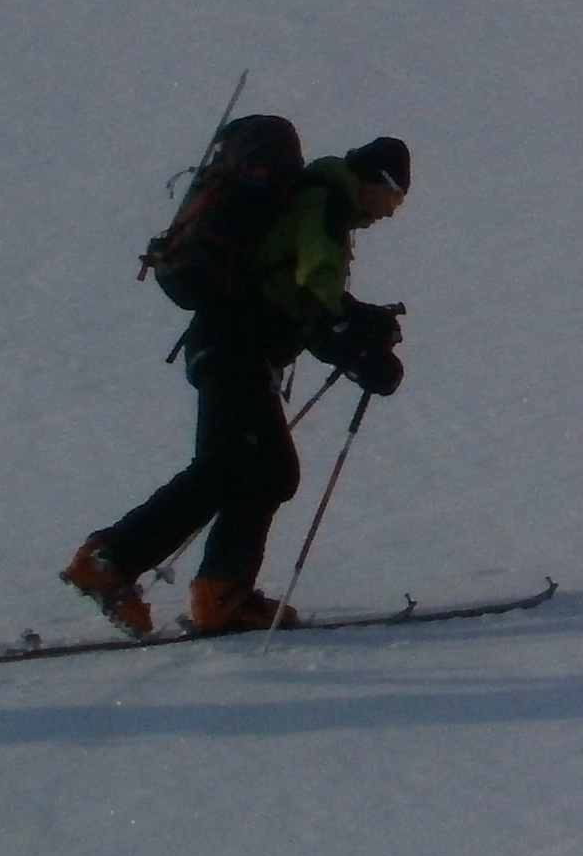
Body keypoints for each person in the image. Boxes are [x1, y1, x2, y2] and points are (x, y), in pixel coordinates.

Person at [62, 135, 411, 636]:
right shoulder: (326, 202)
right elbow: (311, 289)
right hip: (238, 346)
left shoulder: (312, 198)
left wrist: (360, 323)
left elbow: (293, 284)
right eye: (395, 197)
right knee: (236, 468)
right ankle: (117, 562)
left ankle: (216, 590)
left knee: (260, 470)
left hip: (230, 344)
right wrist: (354, 348)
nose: (392, 212)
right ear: (376, 182)